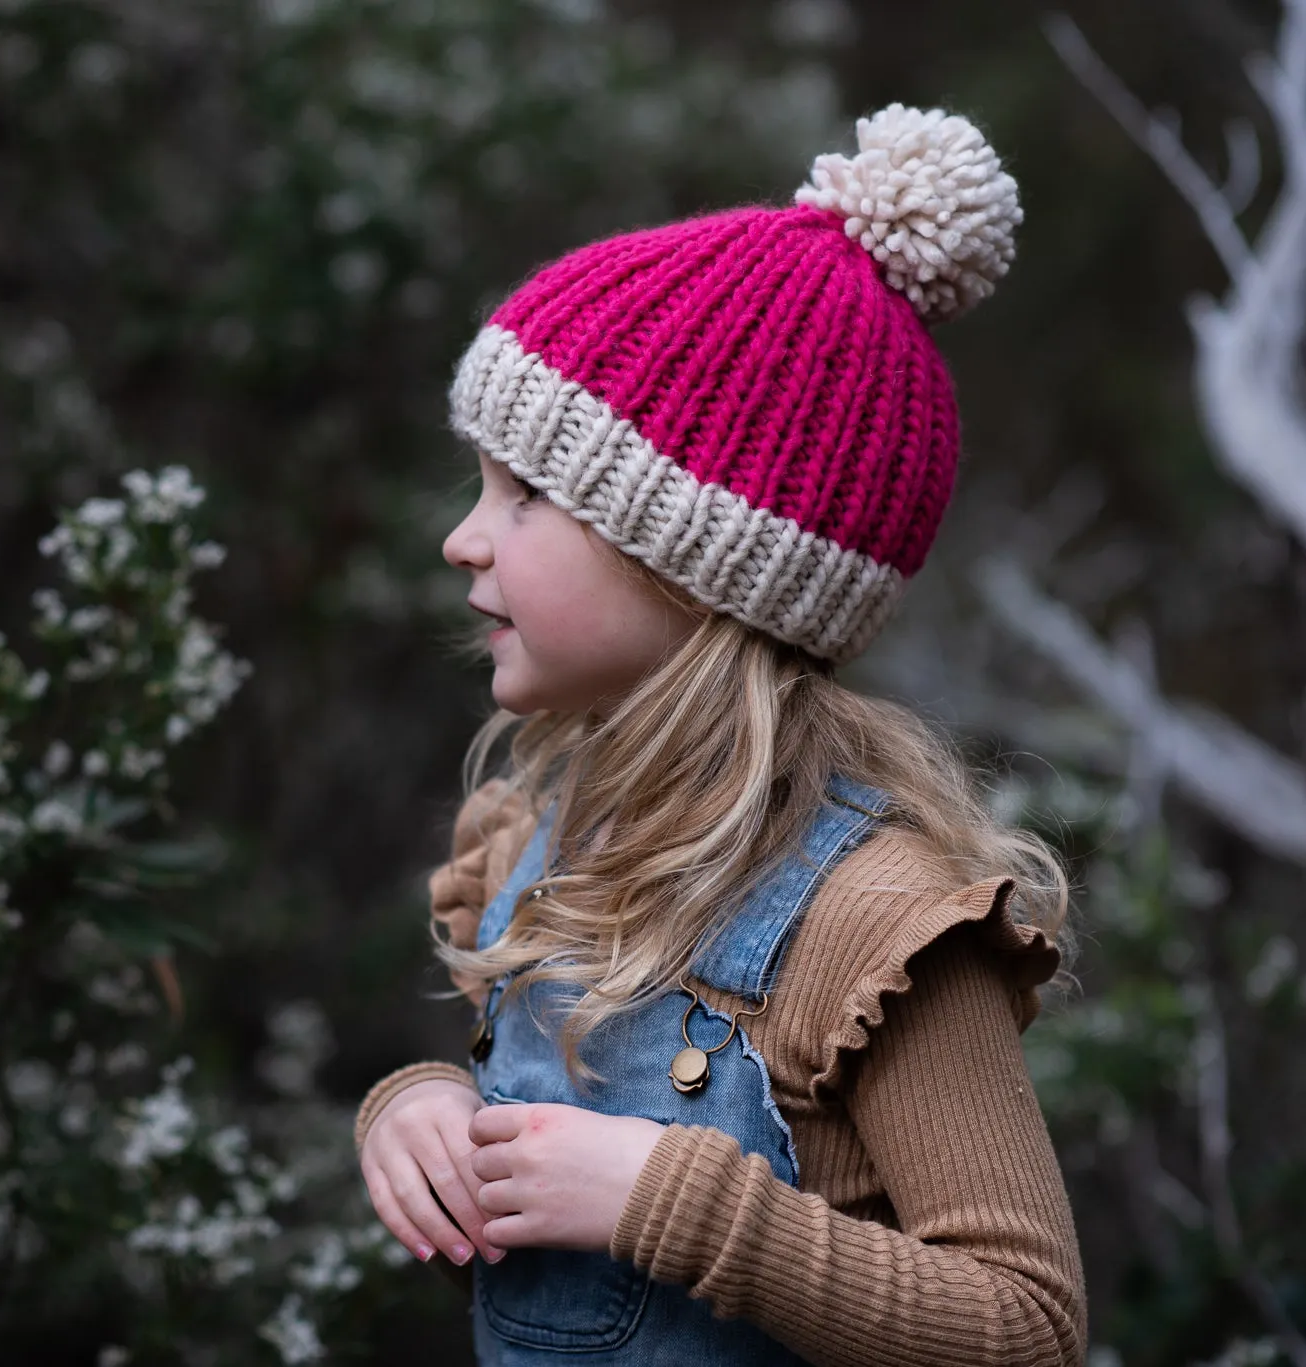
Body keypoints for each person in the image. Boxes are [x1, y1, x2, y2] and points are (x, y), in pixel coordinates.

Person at [354, 105, 1086, 1367]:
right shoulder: (546, 837)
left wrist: (669, 1199)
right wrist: (418, 1111)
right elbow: (537, 1112)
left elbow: (1023, 1326)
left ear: (699, 564)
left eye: (526, 494)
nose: (462, 537)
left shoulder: (872, 922)